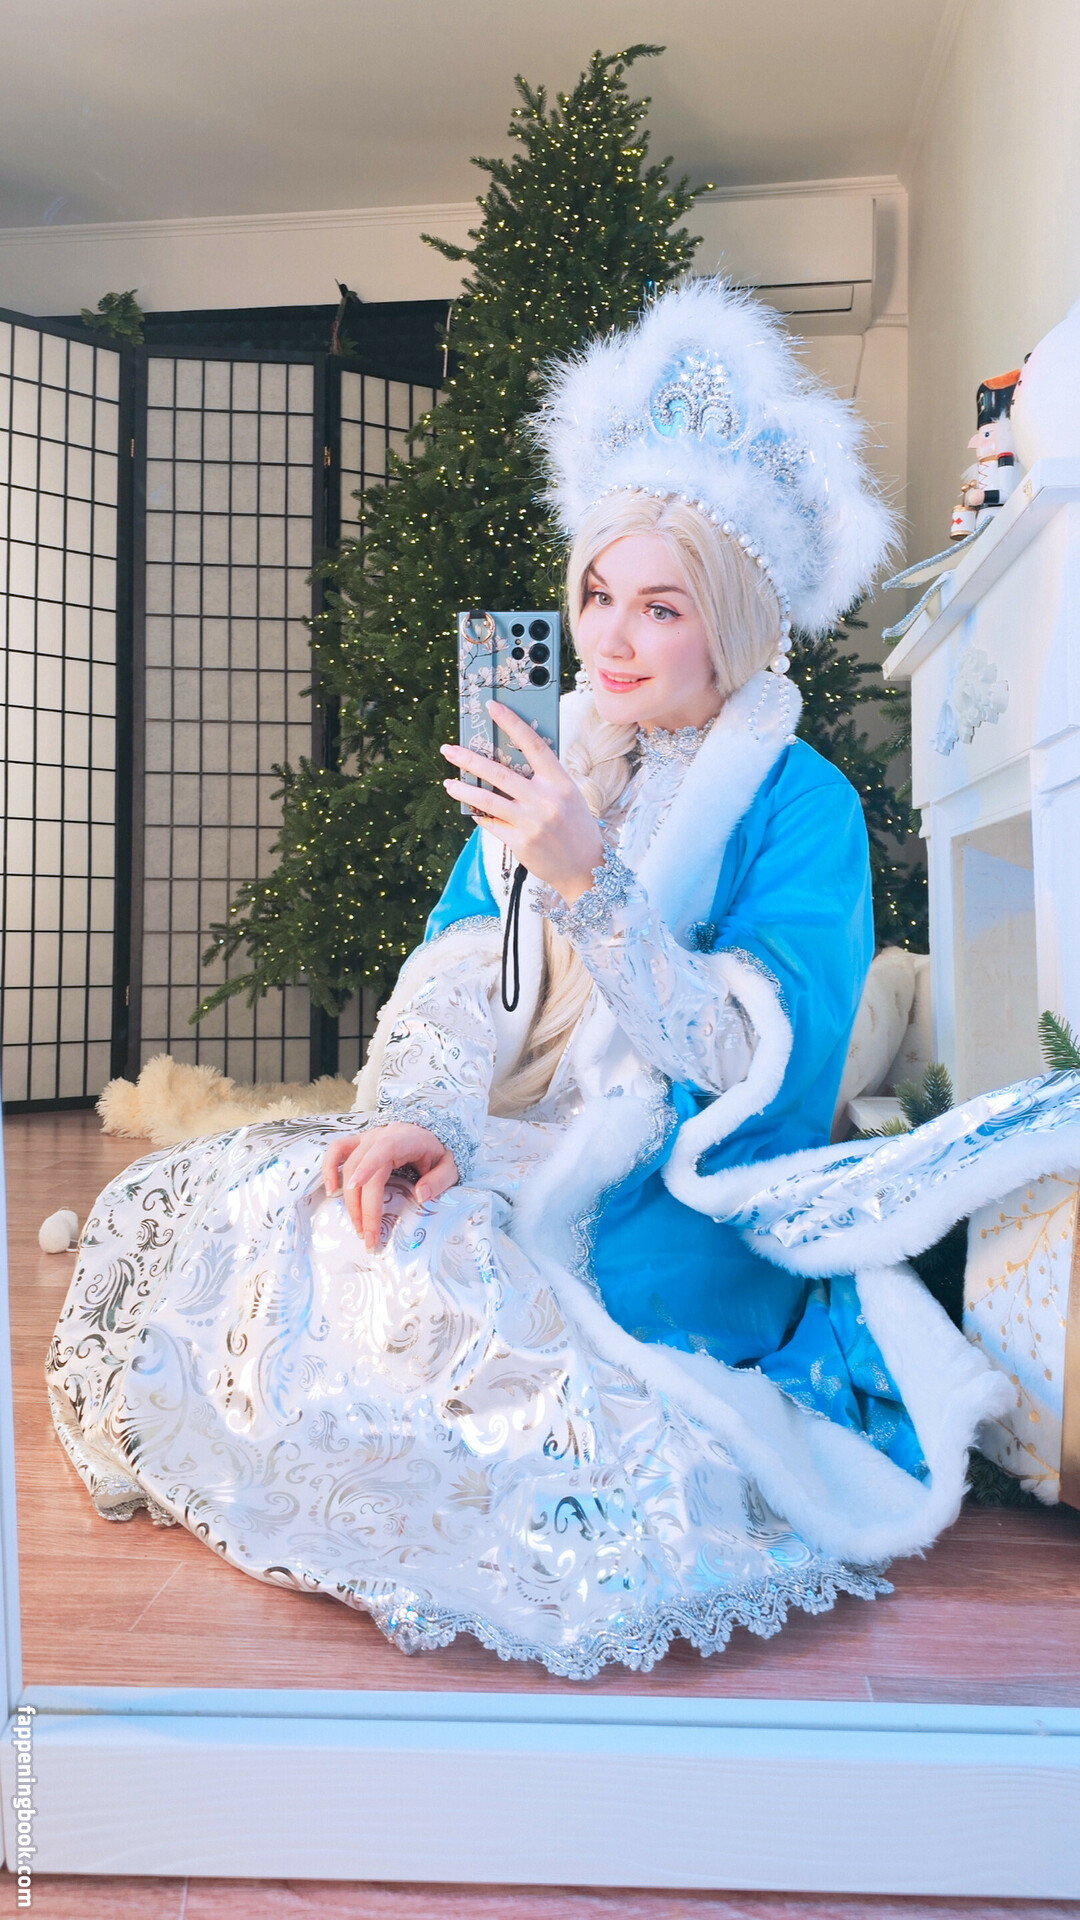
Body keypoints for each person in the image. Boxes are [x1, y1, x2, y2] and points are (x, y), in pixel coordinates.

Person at [46, 282, 1078, 1679]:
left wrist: (592, 884)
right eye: (597, 593)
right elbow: (452, 972)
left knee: (449, 1281)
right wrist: (414, 1121)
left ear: (730, 624)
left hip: (670, 1195)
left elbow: (749, 1060)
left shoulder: (804, 804)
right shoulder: (554, 760)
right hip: (505, 1130)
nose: (610, 637)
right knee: (262, 1195)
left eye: (660, 606)